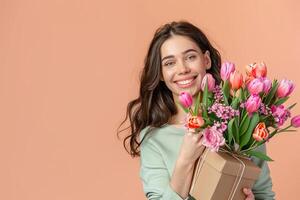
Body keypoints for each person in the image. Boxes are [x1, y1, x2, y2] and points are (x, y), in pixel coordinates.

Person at [118, 21, 275, 200]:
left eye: (190, 57)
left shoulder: (242, 123)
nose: (183, 69)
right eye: (169, 63)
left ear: (206, 60)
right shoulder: (154, 140)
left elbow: (264, 194)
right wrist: (186, 159)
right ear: (161, 74)